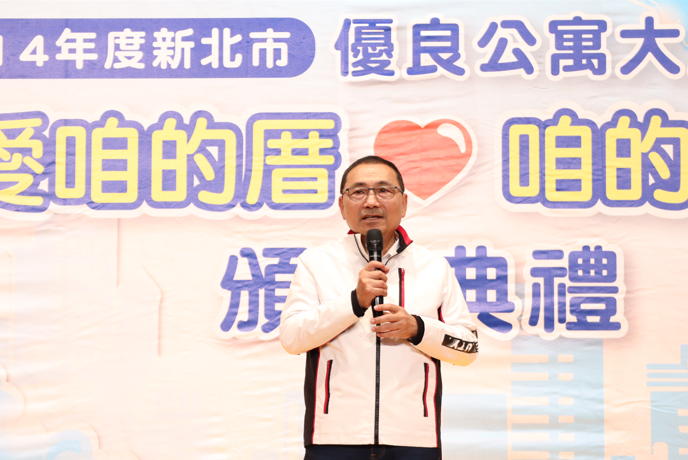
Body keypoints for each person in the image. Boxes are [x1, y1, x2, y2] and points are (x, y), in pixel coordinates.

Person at [280, 156, 478, 460]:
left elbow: (468, 348)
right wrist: (353, 302)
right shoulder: (316, 263)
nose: (371, 201)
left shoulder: (434, 267)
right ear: (342, 206)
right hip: (334, 437)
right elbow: (292, 338)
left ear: (404, 202)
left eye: (384, 190)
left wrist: (418, 329)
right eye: (358, 192)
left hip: (415, 438)